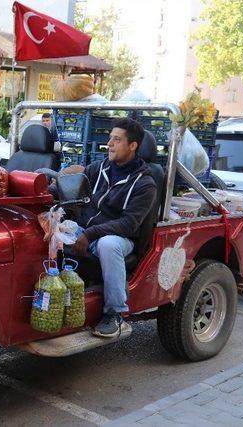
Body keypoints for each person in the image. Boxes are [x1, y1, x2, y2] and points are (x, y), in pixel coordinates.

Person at [64, 118, 156, 337]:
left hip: (119, 238)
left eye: (117, 139)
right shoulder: (100, 167)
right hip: (87, 230)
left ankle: (114, 313)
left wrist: (90, 233)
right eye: (110, 138)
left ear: (132, 145)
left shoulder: (145, 184)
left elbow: (129, 224)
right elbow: (76, 178)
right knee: (52, 230)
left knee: (107, 245)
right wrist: (52, 185)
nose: (110, 144)